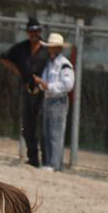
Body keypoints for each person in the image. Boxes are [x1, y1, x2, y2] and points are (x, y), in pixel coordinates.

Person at [0, 18, 49, 167]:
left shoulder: (47, 48)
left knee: (43, 126)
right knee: (28, 126)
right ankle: (33, 159)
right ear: (27, 32)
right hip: (27, 90)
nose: (34, 34)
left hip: (44, 92)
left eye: (37, 31)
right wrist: (19, 72)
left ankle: (47, 160)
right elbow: (3, 58)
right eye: (31, 31)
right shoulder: (21, 48)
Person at [33, 33, 74, 172]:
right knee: (47, 132)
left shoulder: (64, 65)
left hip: (58, 101)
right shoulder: (50, 64)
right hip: (48, 99)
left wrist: (46, 86)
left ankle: (54, 164)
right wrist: (41, 85)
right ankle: (50, 162)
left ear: (58, 49)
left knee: (55, 133)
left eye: (52, 47)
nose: (50, 50)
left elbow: (67, 85)